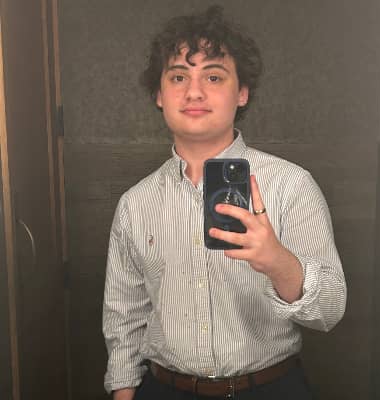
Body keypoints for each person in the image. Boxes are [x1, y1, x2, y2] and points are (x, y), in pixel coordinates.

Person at [102, 5, 346, 400]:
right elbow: (124, 315)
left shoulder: (291, 186)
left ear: (242, 92)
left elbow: (329, 311)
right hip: (164, 390)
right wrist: (124, 392)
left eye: (213, 76)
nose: (194, 92)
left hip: (271, 389)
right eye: (178, 77)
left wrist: (276, 261)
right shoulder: (136, 204)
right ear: (159, 95)